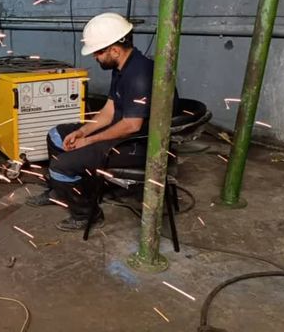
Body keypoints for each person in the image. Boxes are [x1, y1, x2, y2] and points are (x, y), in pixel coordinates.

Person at [26, 12, 178, 231]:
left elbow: (132, 125)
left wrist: (88, 141)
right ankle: (62, 191)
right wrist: (83, 132)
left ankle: (87, 213)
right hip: (123, 129)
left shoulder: (139, 75)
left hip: (139, 143)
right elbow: (109, 111)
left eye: (98, 52)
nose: (95, 57)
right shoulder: (122, 68)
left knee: (60, 166)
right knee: (56, 135)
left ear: (114, 50)